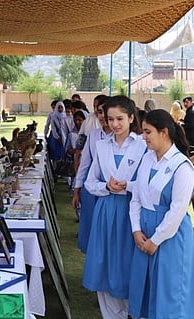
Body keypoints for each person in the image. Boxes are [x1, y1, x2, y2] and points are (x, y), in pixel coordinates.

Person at [128, 109, 194, 319]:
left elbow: (177, 210)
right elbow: (136, 197)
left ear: (164, 132)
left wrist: (155, 240)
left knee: (170, 294)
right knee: (146, 289)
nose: (143, 136)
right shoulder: (147, 159)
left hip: (170, 237)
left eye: (148, 132)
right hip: (145, 232)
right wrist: (136, 229)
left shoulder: (182, 167)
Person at [82, 95, 147, 319]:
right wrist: (106, 187)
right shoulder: (100, 145)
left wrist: (127, 186)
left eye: (120, 118)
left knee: (129, 263)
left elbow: (150, 184)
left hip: (132, 211)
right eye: (110, 119)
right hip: (106, 210)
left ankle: (133, 312)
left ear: (131, 117)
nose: (115, 124)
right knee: (105, 262)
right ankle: (111, 314)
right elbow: (91, 182)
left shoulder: (142, 146)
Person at [72, 97, 111, 253]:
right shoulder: (94, 134)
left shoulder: (123, 137)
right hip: (90, 184)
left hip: (110, 187)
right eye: (99, 111)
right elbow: (85, 163)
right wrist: (77, 190)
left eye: (104, 111)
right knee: (89, 225)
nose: (101, 115)